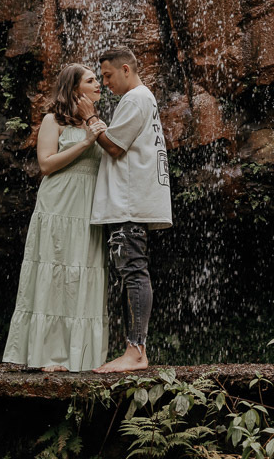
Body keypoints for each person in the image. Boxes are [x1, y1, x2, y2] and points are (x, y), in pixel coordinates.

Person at [2, 64, 109, 372]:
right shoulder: (53, 120)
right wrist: (86, 142)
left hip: (88, 208)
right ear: (75, 89)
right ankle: (47, 356)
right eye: (91, 80)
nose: (98, 84)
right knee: (56, 271)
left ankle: (81, 357)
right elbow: (46, 164)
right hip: (59, 204)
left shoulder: (97, 121)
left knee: (83, 272)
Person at [84, 46, 172, 373]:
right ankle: (132, 350)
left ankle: (136, 352)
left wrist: (89, 118)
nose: (104, 83)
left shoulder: (135, 98)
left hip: (129, 202)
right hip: (130, 201)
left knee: (134, 271)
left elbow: (114, 146)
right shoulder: (139, 99)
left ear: (125, 69)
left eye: (107, 76)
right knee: (130, 272)